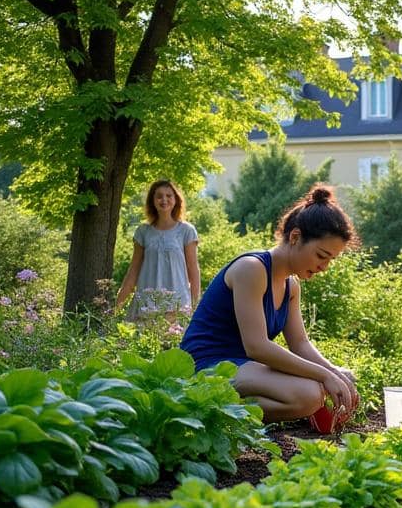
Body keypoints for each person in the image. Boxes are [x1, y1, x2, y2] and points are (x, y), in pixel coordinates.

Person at [180, 184, 359, 424]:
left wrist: (336, 374)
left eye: (331, 260)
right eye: (321, 255)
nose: (324, 267)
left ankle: (239, 414)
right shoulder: (251, 269)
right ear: (295, 237)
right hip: (208, 365)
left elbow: (301, 344)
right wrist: (324, 376)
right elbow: (257, 347)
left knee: (339, 377)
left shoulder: (291, 285)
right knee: (309, 394)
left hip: (244, 367)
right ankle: (203, 409)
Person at [116, 180, 201, 319]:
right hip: (145, 304)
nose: (164, 200)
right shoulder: (143, 232)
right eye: (159, 196)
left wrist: (196, 305)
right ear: (153, 201)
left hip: (177, 305)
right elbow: (133, 271)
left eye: (169, 195)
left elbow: (193, 270)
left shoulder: (186, 231)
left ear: (175, 200)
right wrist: (115, 308)